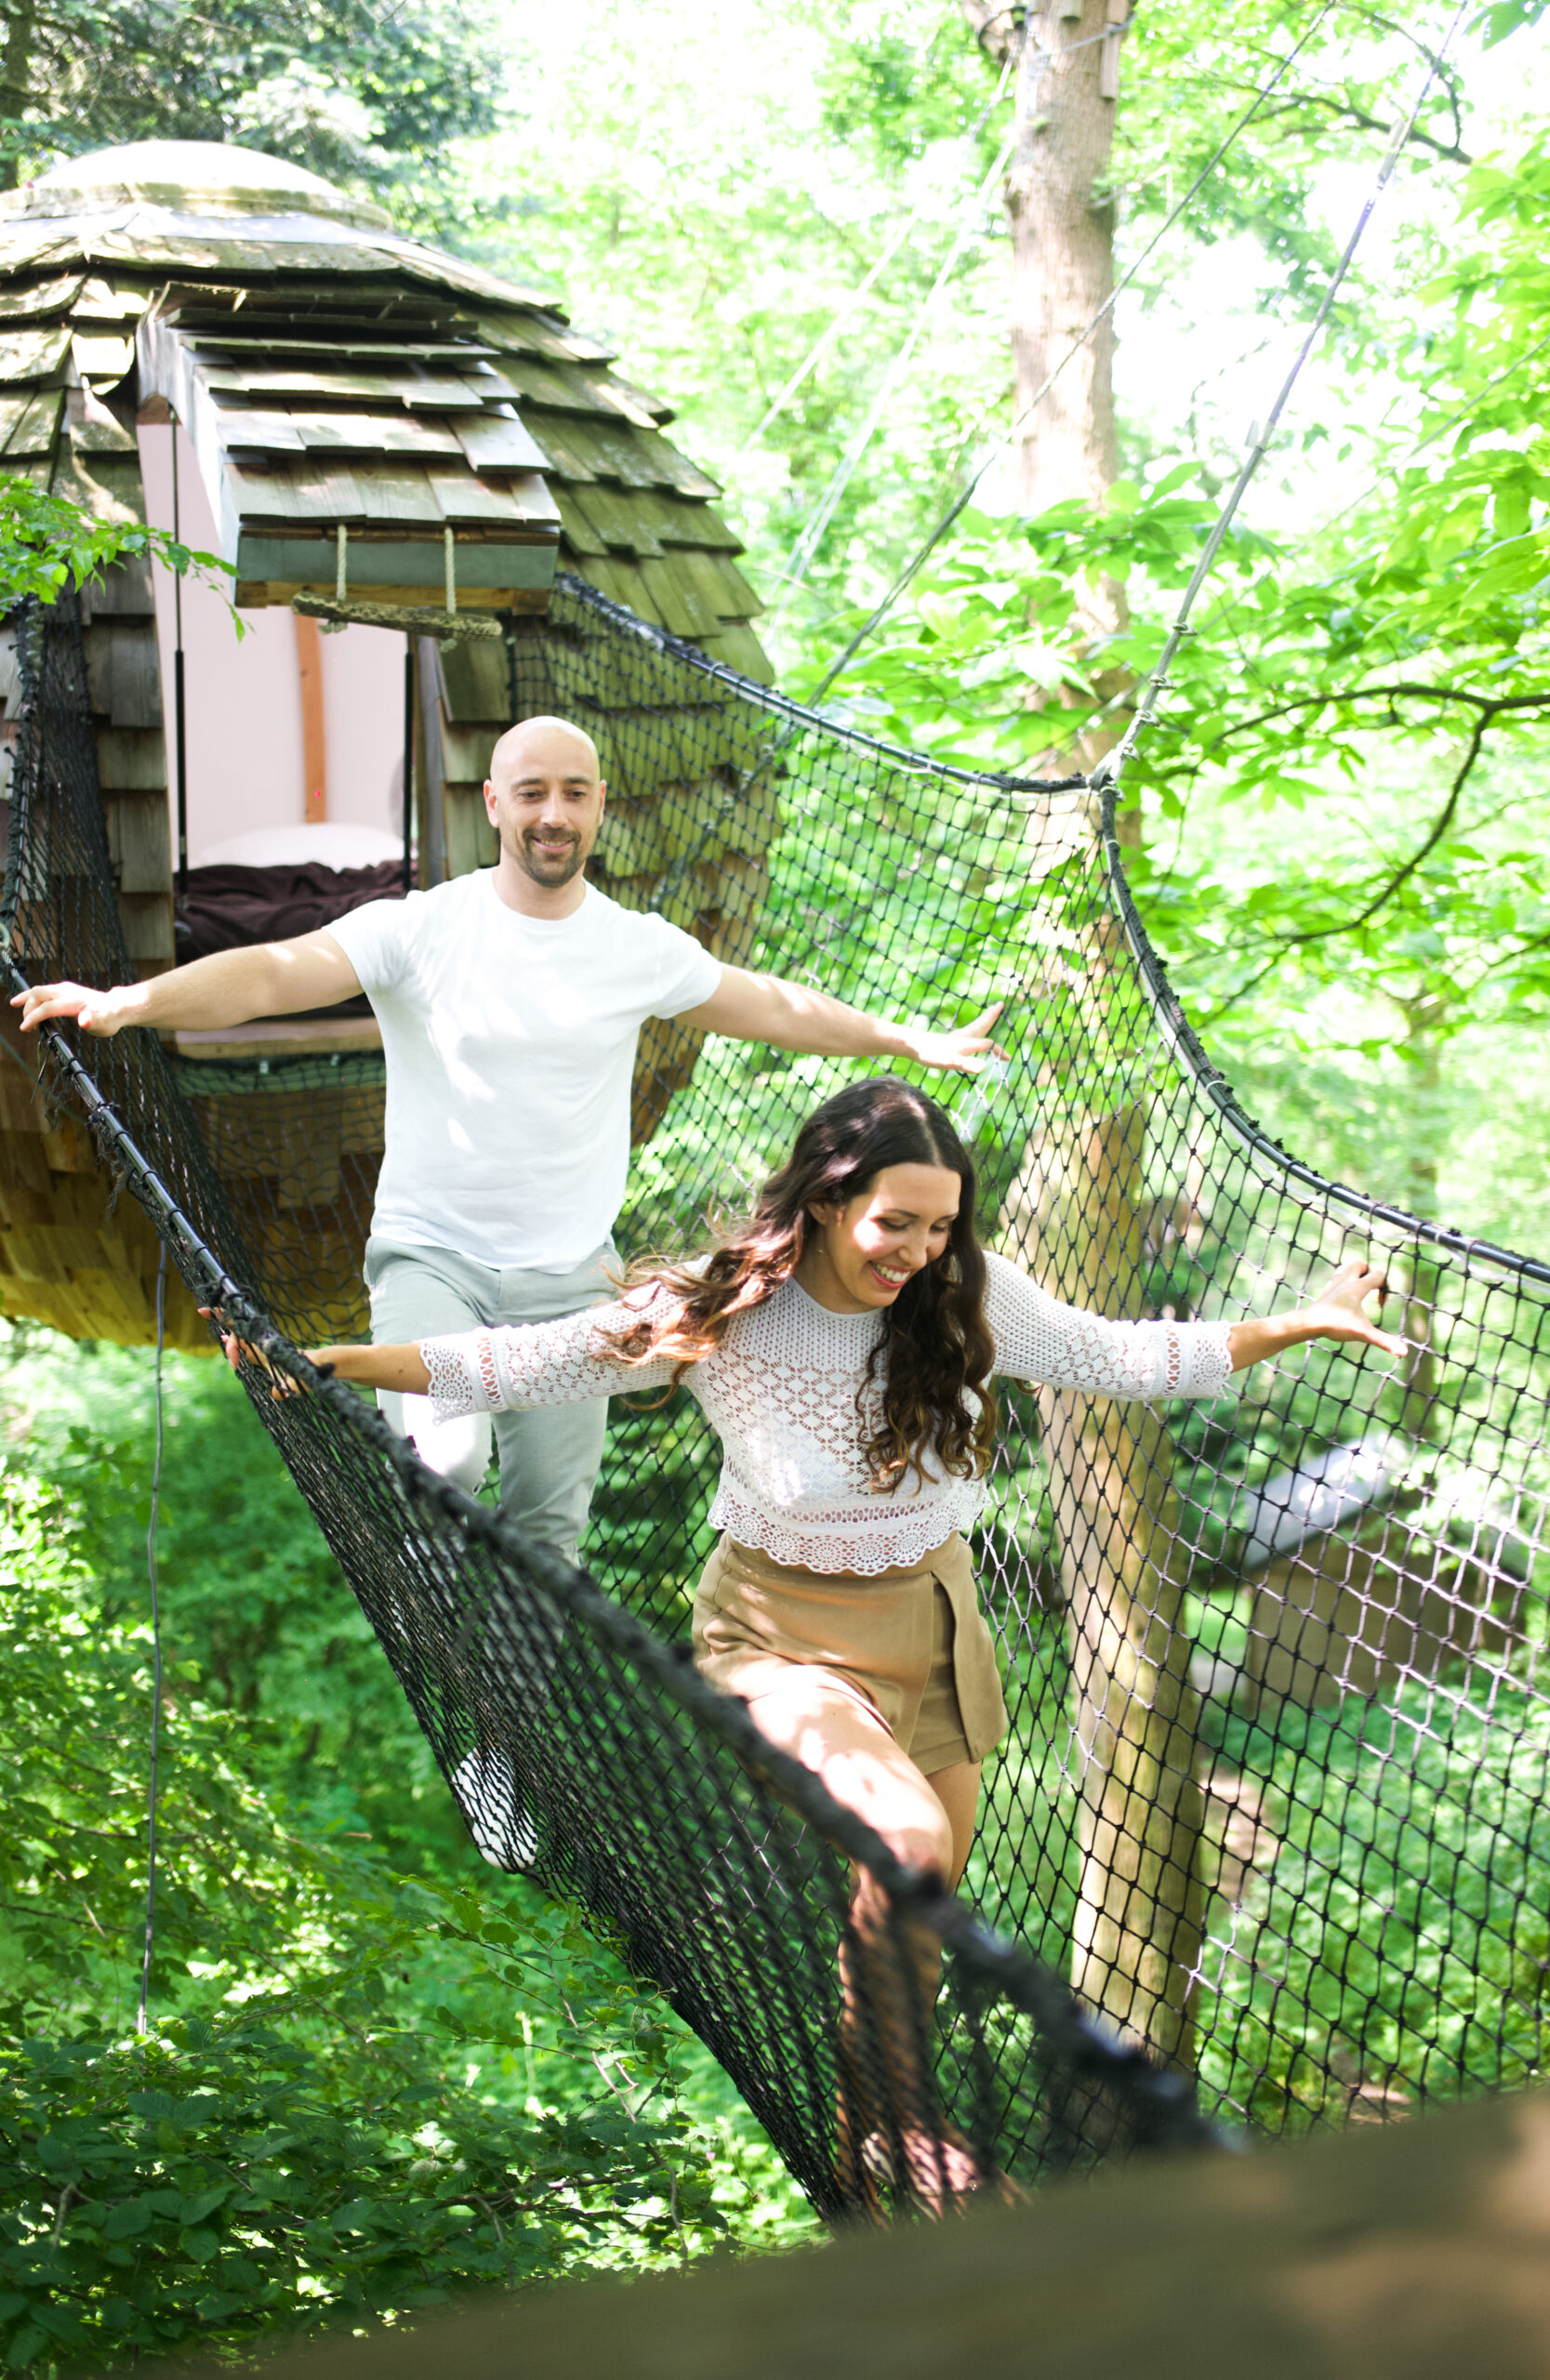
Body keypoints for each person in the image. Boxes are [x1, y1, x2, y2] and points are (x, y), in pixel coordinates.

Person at [240, 1074, 1408, 2208]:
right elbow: (527, 1360)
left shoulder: (966, 1297)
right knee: (904, 1845)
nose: (917, 1250)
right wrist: (344, 1364)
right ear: (826, 1197)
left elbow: (1117, 1357)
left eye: (940, 1226)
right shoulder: (725, 1306)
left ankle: (870, 2136)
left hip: (935, 1624)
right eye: (895, 1222)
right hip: (779, 1634)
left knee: (917, 1913)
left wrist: (1297, 1322)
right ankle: (908, 2129)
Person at [13, 715, 1002, 1563]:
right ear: (493, 804)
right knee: (445, 1464)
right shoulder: (418, 929)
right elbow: (275, 970)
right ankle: (438, 1639)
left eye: (573, 794)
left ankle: (507, 1725)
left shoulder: (636, 948)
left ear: (599, 806)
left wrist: (902, 1038)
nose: (553, 814)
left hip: (571, 1280)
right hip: (433, 1259)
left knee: (550, 1528)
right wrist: (132, 1002)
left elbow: (777, 1008)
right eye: (532, 793)